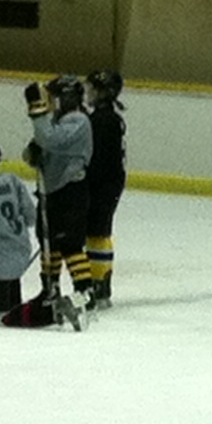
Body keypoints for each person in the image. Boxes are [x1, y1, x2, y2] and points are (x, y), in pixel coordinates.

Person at [0, 138, 82, 330]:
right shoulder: (12, 180)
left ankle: (53, 310)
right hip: (21, 251)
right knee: (11, 305)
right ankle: (44, 304)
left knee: (5, 315)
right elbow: (30, 217)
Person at [24, 74, 94, 318]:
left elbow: (51, 139)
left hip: (71, 190)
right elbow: (36, 148)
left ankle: (85, 292)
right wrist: (33, 153)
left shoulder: (79, 120)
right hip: (52, 190)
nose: (52, 102)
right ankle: (50, 288)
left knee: (69, 243)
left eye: (55, 97)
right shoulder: (56, 120)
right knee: (48, 241)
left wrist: (37, 113)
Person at [84, 69, 126, 309]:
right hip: (109, 182)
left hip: (104, 183)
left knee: (98, 232)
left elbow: (98, 159)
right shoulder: (106, 118)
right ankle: (99, 282)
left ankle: (99, 284)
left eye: (92, 89)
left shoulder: (103, 120)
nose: (88, 93)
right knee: (97, 231)